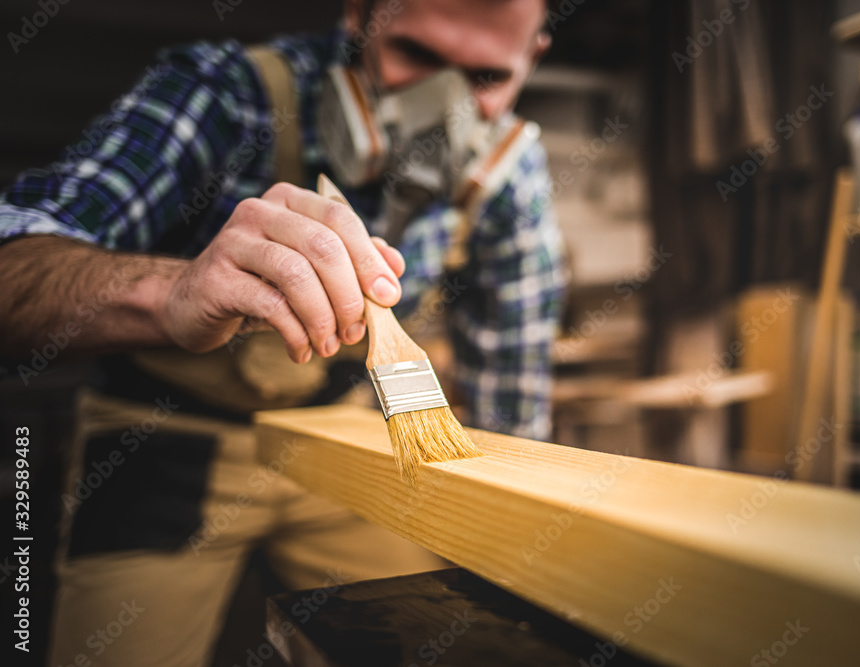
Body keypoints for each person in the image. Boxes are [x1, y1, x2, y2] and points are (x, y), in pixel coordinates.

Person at [0, 0, 566, 664]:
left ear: (534, 58)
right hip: (164, 445)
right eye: (418, 55)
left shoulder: (506, 170)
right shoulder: (227, 95)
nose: (447, 103)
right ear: (359, 19)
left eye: (486, 77)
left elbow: (514, 391)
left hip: (348, 447)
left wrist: (515, 549)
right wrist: (171, 291)